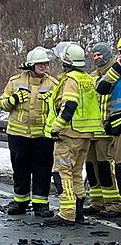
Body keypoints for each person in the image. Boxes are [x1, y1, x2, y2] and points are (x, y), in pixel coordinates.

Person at [43, 43, 104, 226]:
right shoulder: (86, 78)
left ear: (66, 62)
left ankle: (67, 213)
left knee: (62, 173)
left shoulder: (71, 79)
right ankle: (78, 213)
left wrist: (57, 127)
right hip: (85, 135)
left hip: (69, 134)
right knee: (76, 172)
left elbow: (69, 105)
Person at [0, 46, 58, 217]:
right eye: (40, 64)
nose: (44, 67)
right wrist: (13, 99)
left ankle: (40, 204)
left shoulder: (53, 84)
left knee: (42, 169)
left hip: (42, 136)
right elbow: (2, 103)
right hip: (18, 135)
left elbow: (59, 107)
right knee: (20, 168)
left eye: (46, 64)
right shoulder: (15, 81)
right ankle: (20, 202)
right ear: (31, 65)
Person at [85, 42, 121, 218]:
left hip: (107, 131)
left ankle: (113, 204)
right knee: (92, 169)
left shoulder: (115, 73)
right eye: (94, 55)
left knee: (107, 169)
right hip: (91, 131)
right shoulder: (91, 77)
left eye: (100, 55)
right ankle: (97, 202)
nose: (97, 58)